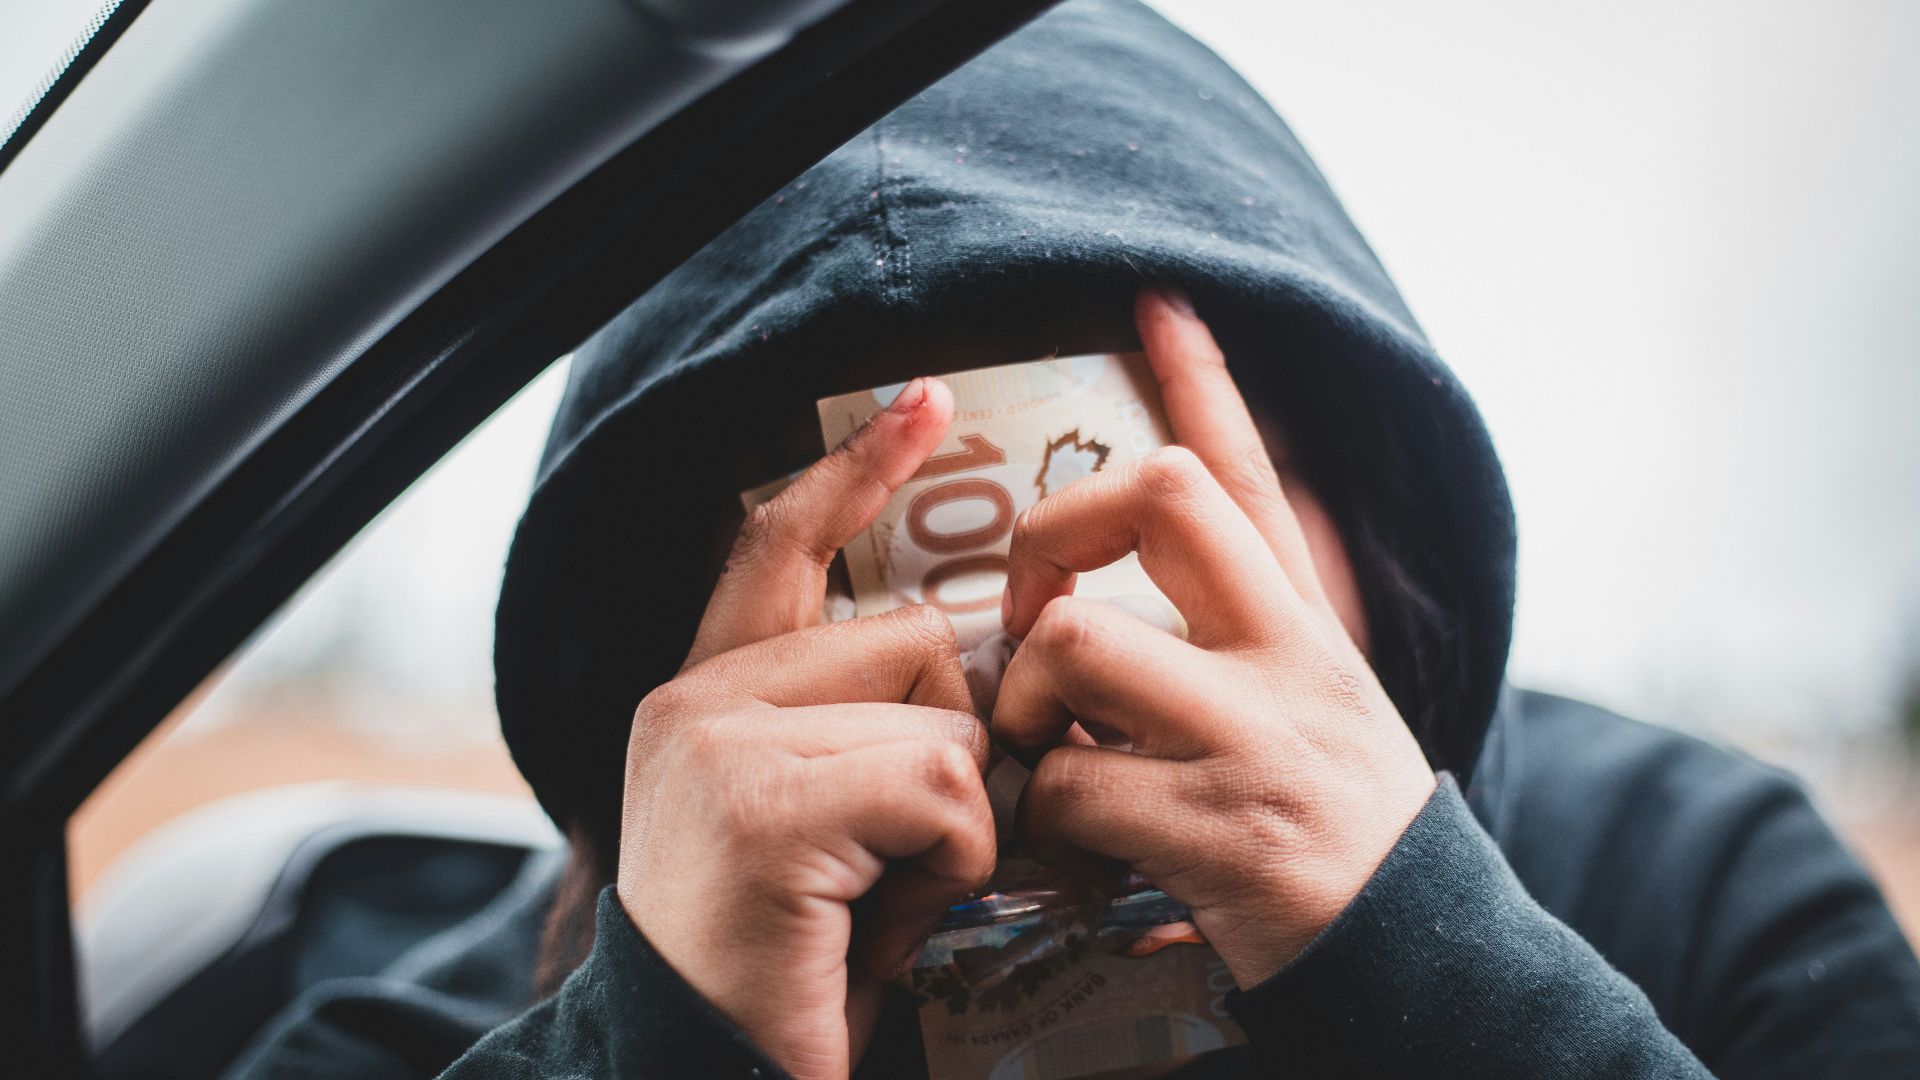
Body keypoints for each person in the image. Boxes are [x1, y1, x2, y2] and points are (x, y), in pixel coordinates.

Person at [219, 1, 1920, 1077]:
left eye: (1144, 505)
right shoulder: (442, 1024)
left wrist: (1437, 975)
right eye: (878, 558)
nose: (1047, 657)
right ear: (675, 663)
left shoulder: (1706, 894)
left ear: (1366, 528)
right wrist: (663, 1043)